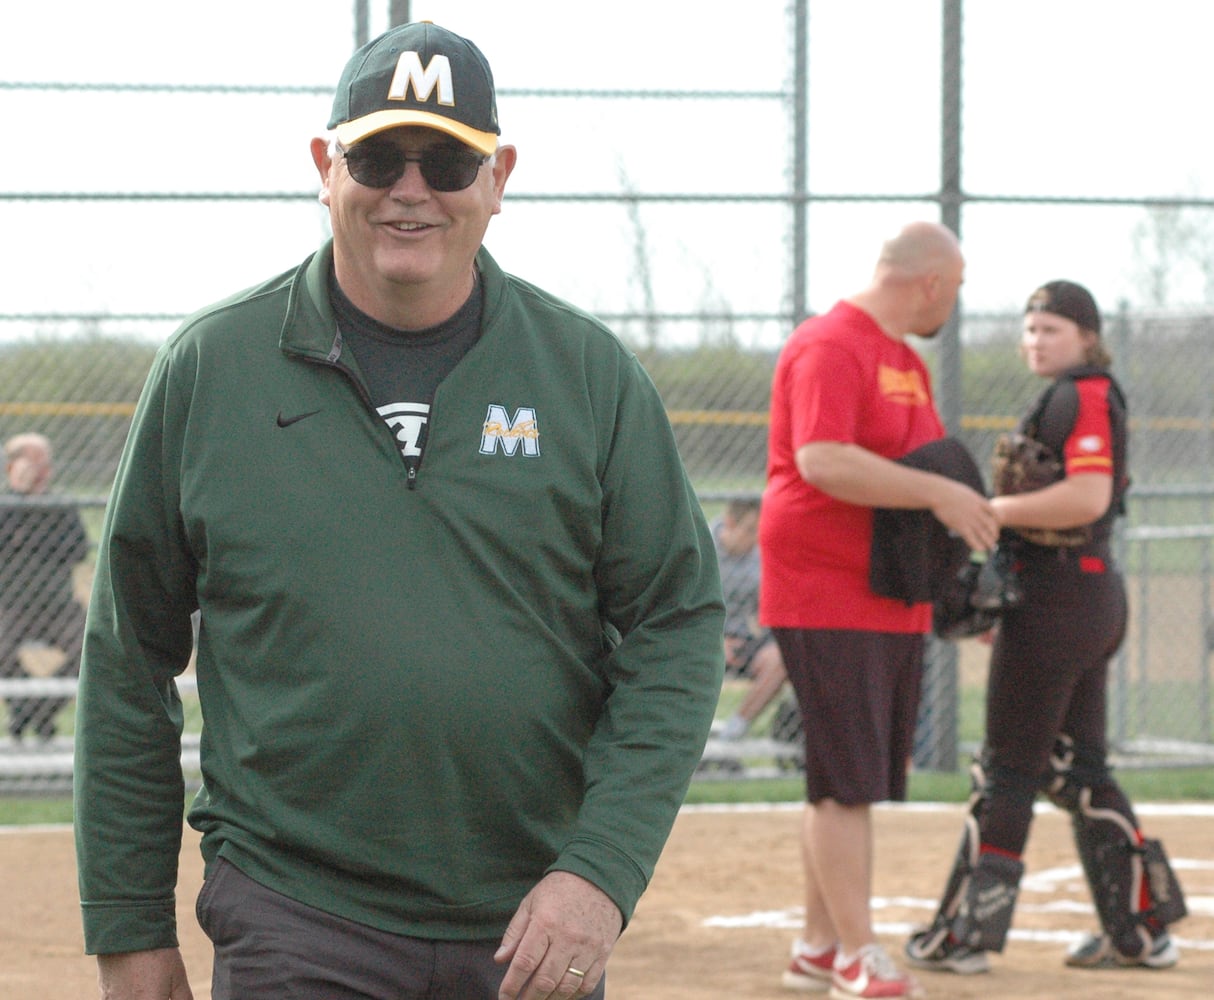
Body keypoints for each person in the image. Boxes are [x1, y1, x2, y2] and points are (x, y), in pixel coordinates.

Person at [73, 21, 725, 1000]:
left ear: (497, 176)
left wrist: (600, 870)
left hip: (531, 925)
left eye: (447, 160)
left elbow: (677, 624)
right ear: (322, 167)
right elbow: (129, 660)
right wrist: (128, 929)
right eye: (376, 155)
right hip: (294, 908)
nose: (409, 188)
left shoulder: (587, 375)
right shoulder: (211, 368)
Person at [905, 280, 1187, 978]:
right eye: (1030, 329)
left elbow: (1088, 496)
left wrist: (988, 511)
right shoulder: (1070, 395)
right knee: (1079, 770)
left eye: (1053, 329)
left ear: (1087, 337)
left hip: (1060, 600)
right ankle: (1140, 932)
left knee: (1008, 769)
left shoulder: (1085, 393)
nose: (1037, 340)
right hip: (1081, 596)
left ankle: (968, 935)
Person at [759, 221, 1000, 998]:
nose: (954, 305)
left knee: (844, 776)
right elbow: (820, 459)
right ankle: (861, 957)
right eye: (955, 288)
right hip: (824, 585)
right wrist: (940, 493)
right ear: (929, 282)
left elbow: (913, 465)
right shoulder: (831, 344)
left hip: (882, 589)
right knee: (845, 782)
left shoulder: (904, 361)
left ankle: (820, 946)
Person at [0, 433, 89, 742]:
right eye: (34, 462)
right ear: (12, 467)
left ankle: (38, 713)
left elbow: (77, 548)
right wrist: (20, 497)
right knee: (2, 649)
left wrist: (28, 538)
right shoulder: (4, 505)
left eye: (45, 463)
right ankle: (29, 711)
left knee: (92, 648)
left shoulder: (60, 505)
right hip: (9, 604)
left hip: (57, 605)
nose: (43, 470)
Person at [712, 498, 789, 742]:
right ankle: (684, 735)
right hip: (703, 637)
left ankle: (731, 734)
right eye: (749, 530)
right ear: (729, 524)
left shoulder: (762, 555)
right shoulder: (700, 547)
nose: (756, 538)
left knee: (781, 658)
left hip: (746, 639)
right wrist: (715, 641)